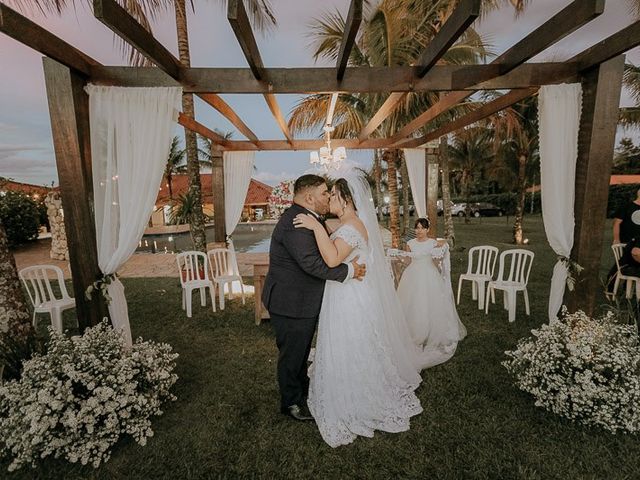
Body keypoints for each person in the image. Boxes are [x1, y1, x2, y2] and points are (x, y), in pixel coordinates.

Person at [293, 175, 423, 448]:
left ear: (348, 199)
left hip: (349, 298)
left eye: (334, 195)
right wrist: (322, 225)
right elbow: (336, 236)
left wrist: (315, 227)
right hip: (346, 291)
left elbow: (331, 258)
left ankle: (357, 394)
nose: (329, 199)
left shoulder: (353, 228)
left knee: (351, 342)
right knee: (347, 342)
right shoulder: (348, 224)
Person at [262, 174, 366, 422]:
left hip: (300, 300)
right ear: (309, 197)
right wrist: (349, 271)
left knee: (299, 351)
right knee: (291, 355)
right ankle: (291, 403)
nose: (328, 197)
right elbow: (312, 264)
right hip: (291, 302)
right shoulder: (296, 222)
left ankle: (302, 389)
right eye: (323, 193)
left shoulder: (308, 217)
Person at [394, 218, 467, 368]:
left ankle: (431, 331)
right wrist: (397, 258)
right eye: (417, 228)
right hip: (412, 275)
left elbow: (440, 253)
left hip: (429, 275)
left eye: (422, 228)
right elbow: (408, 261)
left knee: (430, 304)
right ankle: (414, 331)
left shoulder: (433, 243)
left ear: (428, 229)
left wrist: (442, 248)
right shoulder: (410, 244)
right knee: (413, 304)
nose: (419, 231)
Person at [607, 188, 640, 294]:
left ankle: (628, 288)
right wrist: (616, 239)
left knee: (630, 264)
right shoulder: (627, 206)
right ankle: (611, 285)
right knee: (625, 262)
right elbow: (617, 223)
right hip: (627, 243)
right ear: (638, 193)